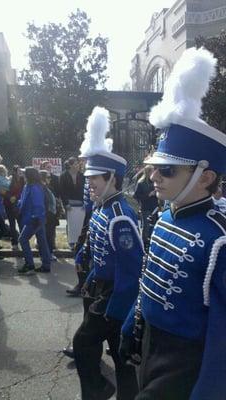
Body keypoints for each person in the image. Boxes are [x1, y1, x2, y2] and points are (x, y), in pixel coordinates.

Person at [120, 47, 226, 400]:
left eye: (167, 170)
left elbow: (222, 333)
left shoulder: (218, 242)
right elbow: (150, 279)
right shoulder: (165, 215)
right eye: (153, 168)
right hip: (150, 341)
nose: (154, 176)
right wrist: (129, 325)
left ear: (205, 177)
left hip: (185, 361)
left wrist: (208, 392)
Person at [73, 106, 143, 400]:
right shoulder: (103, 207)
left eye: (94, 180)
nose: (88, 184)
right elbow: (97, 250)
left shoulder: (121, 216)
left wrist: (115, 311)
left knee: (84, 342)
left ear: (112, 178)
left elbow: (131, 269)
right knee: (118, 355)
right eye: (88, 179)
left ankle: (99, 390)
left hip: (115, 295)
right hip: (101, 288)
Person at [17, 167, 51, 273]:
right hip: (36, 218)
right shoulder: (29, 186)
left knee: (22, 239)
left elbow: (38, 205)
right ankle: (46, 265)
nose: (22, 175)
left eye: (24, 173)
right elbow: (24, 200)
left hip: (34, 218)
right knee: (42, 241)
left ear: (29, 175)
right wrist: (18, 205)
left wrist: (36, 217)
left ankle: (30, 264)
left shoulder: (34, 187)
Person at [133, 165, 159, 250]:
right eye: (152, 171)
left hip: (154, 207)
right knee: (146, 226)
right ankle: (144, 244)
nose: (154, 173)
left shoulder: (154, 182)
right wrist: (148, 195)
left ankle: (152, 241)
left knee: (154, 224)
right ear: (148, 172)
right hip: (145, 207)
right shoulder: (141, 183)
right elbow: (136, 196)